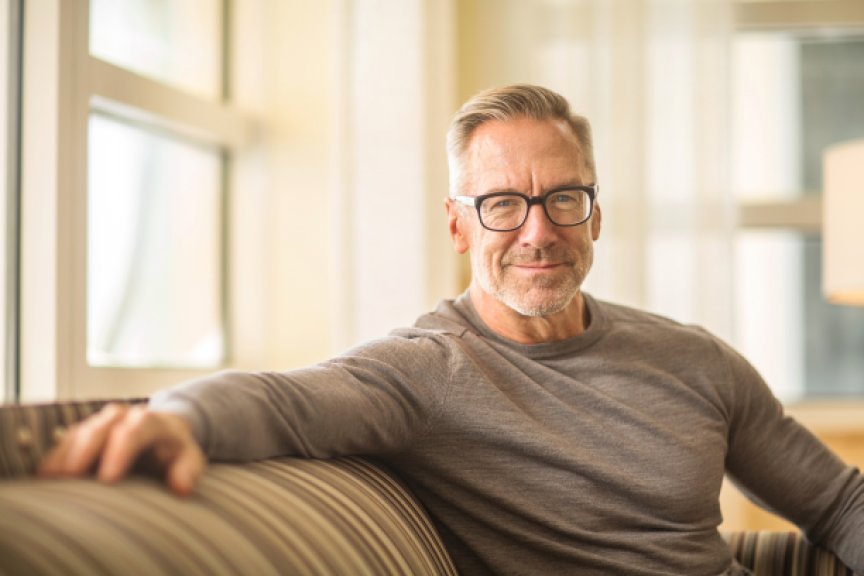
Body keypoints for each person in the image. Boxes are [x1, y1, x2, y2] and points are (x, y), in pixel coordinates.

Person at [39, 85, 864, 575]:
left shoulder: (694, 359)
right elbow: (287, 401)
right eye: (503, 204)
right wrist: (175, 419)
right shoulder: (424, 375)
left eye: (561, 199)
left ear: (595, 213)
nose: (538, 232)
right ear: (458, 226)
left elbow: (834, 500)